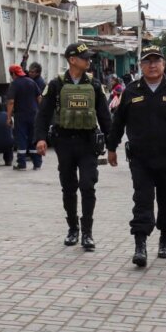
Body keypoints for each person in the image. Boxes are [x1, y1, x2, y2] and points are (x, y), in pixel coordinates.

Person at [107, 47, 166, 268]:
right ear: (141, 66)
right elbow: (118, 122)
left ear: (164, 64)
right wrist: (111, 147)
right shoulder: (131, 91)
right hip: (140, 159)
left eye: (156, 61)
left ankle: (165, 237)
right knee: (142, 201)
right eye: (147, 62)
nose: (152, 65)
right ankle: (140, 244)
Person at [34, 42, 113, 251]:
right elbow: (43, 114)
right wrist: (40, 138)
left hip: (88, 143)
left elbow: (105, 116)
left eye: (88, 57)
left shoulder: (95, 85)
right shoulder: (56, 85)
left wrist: (112, 143)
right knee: (68, 187)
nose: (88, 61)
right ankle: (72, 229)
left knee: (87, 185)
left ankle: (87, 232)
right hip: (65, 143)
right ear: (72, 60)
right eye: (84, 57)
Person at [7, 65, 42, 170]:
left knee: (21, 138)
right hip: (34, 114)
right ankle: (37, 163)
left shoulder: (14, 84)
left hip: (21, 115)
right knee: (33, 138)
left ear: (13, 74)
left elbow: (11, 101)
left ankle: (22, 164)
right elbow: (39, 97)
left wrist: (8, 117)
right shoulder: (31, 82)